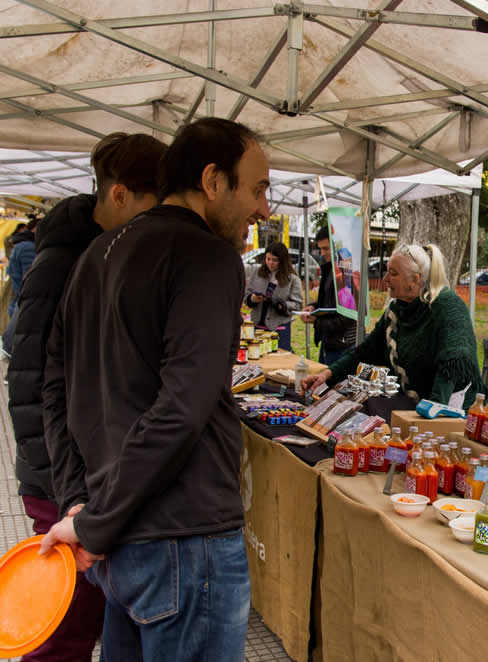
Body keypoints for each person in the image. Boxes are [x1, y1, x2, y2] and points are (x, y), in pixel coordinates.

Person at [40, 117, 269, 662]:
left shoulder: (94, 257)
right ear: (212, 181)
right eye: (257, 188)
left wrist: (83, 506)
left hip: (126, 544)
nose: (264, 208)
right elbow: (181, 408)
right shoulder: (207, 257)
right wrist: (93, 523)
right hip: (184, 545)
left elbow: (59, 391)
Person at [7, 132, 166, 662]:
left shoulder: (108, 253)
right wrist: (68, 490)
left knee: (92, 618)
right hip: (62, 479)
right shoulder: (67, 262)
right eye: (152, 205)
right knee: (63, 628)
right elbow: (34, 382)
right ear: (118, 195)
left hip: (88, 480)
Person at [302, 243, 484, 411]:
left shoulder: (447, 305)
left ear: (415, 279)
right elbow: (365, 351)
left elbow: (452, 364)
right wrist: (327, 374)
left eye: (393, 273)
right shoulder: (396, 311)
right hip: (419, 407)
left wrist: (432, 412)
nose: (385, 279)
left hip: (453, 410)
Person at [299, 225, 356, 365]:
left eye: (325, 248)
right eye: (320, 248)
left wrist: (316, 321)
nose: (322, 253)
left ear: (336, 246)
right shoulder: (329, 269)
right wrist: (313, 307)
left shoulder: (347, 272)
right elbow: (327, 303)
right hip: (329, 342)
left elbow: (349, 317)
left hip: (344, 346)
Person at [245, 240, 303, 351]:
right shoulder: (257, 274)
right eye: (268, 259)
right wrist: (252, 298)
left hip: (279, 329)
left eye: (275, 260)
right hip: (257, 328)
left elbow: (298, 305)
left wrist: (282, 304)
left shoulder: (292, 279)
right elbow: (246, 295)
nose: (270, 263)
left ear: (283, 261)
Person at [7, 217, 38, 315]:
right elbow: (28, 282)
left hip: (18, 303)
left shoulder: (20, 245)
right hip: (23, 306)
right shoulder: (28, 247)